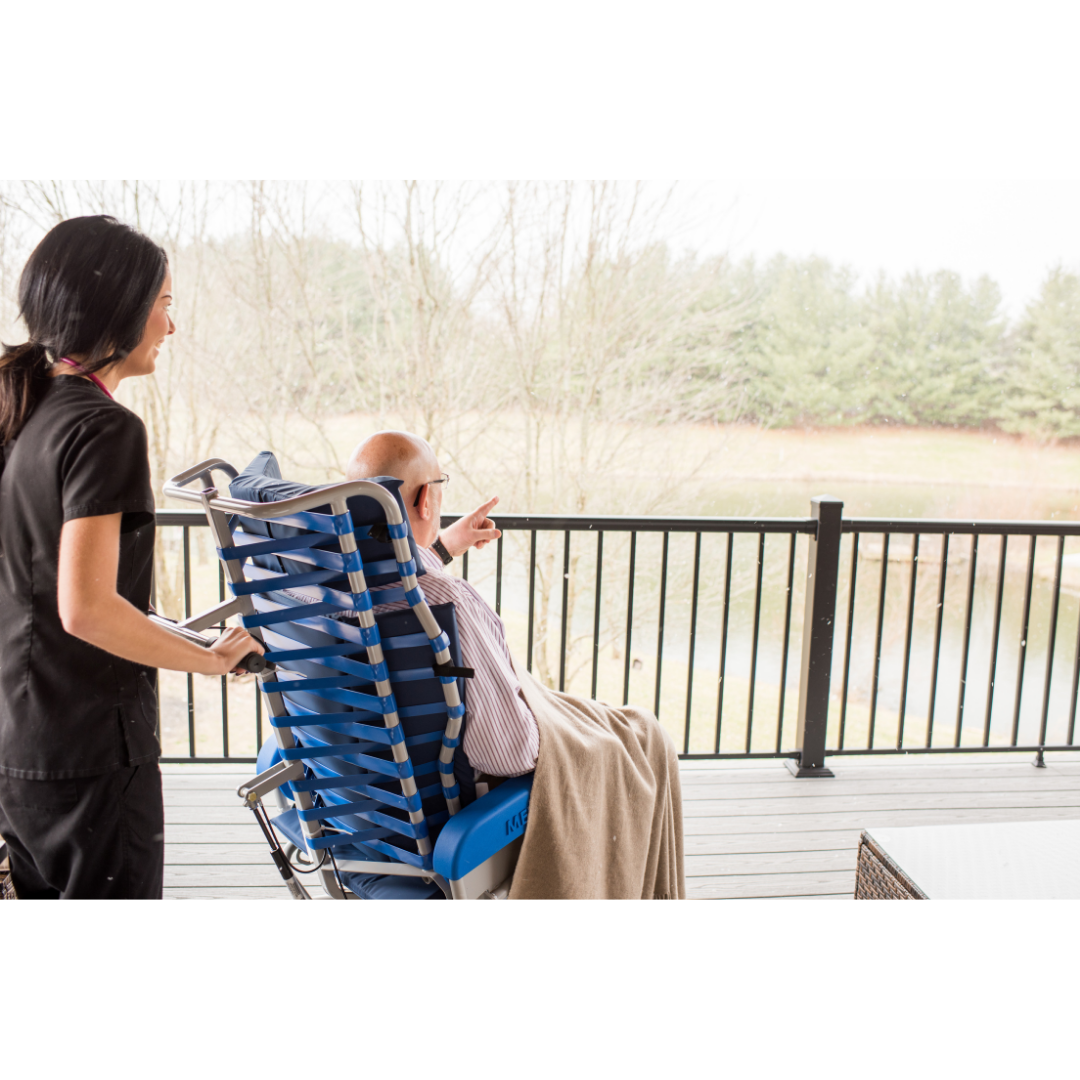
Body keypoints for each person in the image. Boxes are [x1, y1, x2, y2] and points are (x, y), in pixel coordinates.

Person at [0, 215, 262, 900]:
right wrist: (206, 660)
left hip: (23, 746)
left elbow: (64, 595)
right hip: (89, 759)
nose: (171, 327)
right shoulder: (105, 426)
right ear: (118, 307)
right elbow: (86, 610)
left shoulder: (28, 412)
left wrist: (191, 637)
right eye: (164, 304)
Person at [344, 431, 539, 777]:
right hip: (444, 803)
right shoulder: (448, 603)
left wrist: (442, 547)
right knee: (641, 733)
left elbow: (393, 580)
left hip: (350, 792)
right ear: (425, 501)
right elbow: (510, 756)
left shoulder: (312, 596)